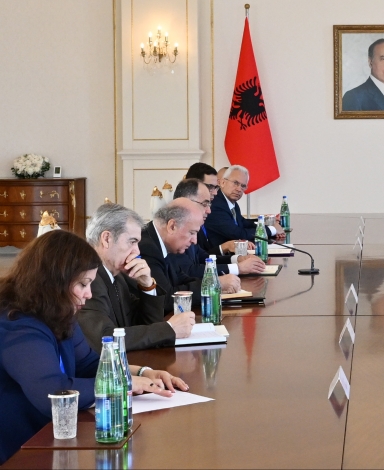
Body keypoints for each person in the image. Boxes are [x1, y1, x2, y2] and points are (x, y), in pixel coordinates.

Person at [0, 230, 187, 464]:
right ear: (53, 282)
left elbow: (89, 364)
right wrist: (124, 384)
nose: (89, 294)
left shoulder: (58, 313)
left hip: (55, 439)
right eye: (83, 284)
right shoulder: (17, 325)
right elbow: (53, 394)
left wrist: (142, 373)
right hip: (19, 450)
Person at [77, 203, 195, 351]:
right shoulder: (87, 280)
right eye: (132, 242)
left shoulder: (118, 277)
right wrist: (169, 328)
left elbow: (144, 324)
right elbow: (104, 339)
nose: (137, 251)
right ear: (107, 239)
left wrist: (147, 286)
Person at [139, 199, 242, 316]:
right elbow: (166, 299)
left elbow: (182, 279)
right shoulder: (147, 248)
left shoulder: (165, 242)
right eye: (192, 233)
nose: (195, 241)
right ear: (172, 226)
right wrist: (215, 284)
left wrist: (214, 282)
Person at [173, 178, 266, 277]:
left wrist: (237, 259)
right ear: (187, 201)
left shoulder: (193, 225)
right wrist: (238, 268)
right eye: (205, 204)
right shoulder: (176, 229)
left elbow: (204, 258)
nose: (209, 210)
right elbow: (189, 271)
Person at [204, 165, 282, 248]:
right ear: (223, 183)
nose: (239, 189)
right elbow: (238, 234)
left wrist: (268, 222)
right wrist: (272, 230)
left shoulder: (231, 202)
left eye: (243, 186)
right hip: (218, 254)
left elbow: (244, 223)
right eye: (235, 183)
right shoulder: (216, 204)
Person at [183, 163, 253, 256]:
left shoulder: (200, 212)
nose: (215, 192)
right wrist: (225, 248)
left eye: (216, 187)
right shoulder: (184, 218)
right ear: (193, 185)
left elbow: (202, 256)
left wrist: (236, 259)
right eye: (211, 187)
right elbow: (195, 261)